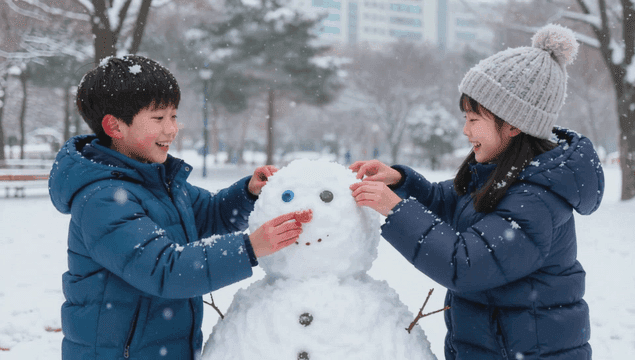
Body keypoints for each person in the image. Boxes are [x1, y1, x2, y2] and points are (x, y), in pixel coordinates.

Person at [349, 24, 604, 360]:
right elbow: (451, 202)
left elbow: (464, 263)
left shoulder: (536, 201)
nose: (465, 130)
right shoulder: (501, 177)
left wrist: (397, 211)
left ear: (513, 125)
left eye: (473, 119)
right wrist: (401, 182)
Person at [48, 55, 311, 360]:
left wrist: (248, 193)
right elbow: (165, 270)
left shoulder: (161, 184)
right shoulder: (102, 200)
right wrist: (249, 248)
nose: (172, 129)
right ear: (114, 126)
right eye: (159, 118)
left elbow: (211, 213)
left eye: (173, 116)